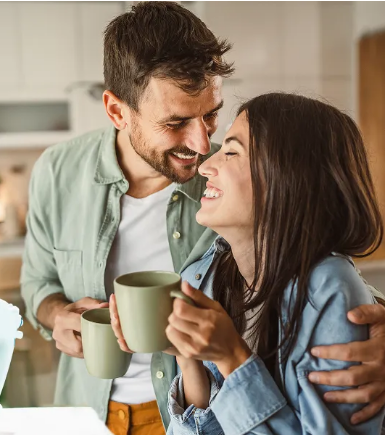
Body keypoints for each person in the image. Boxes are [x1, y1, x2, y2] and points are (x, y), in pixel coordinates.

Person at [19, 2, 385, 434]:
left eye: (211, 115)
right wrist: (56, 314)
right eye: (175, 123)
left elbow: (312, 274)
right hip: (96, 411)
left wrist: (364, 326)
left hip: (188, 410)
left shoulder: (235, 189)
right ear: (118, 111)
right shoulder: (57, 172)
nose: (201, 145)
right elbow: (37, 285)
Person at [108, 92, 385, 434]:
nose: (206, 165)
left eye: (231, 151)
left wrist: (232, 358)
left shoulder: (330, 289)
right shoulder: (206, 275)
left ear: (286, 178)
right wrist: (186, 355)